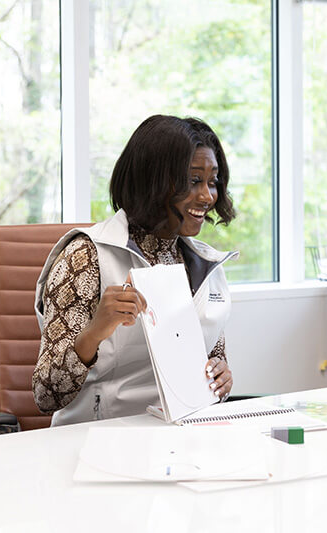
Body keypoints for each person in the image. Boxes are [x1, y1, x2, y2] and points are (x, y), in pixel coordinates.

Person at [32, 115, 237, 426]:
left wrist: (219, 376)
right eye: (193, 181)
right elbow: (46, 394)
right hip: (97, 439)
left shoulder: (204, 265)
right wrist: (95, 332)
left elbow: (214, 358)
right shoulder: (86, 257)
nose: (208, 196)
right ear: (152, 181)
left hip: (181, 439)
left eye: (213, 181)